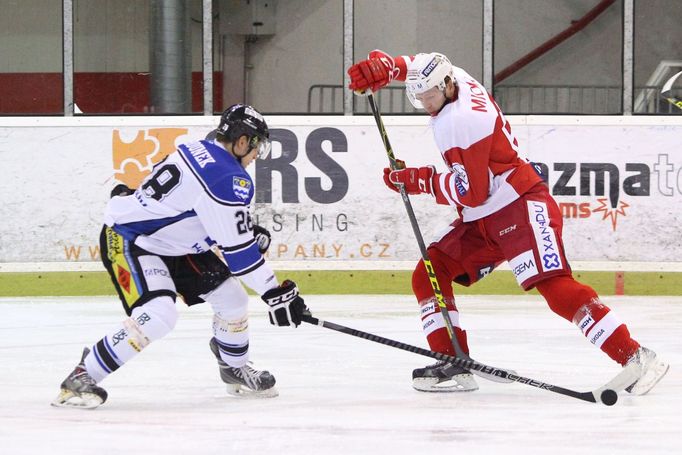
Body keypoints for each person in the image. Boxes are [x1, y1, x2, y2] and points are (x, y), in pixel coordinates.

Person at [347, 50, 669, 394]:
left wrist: (417, 180)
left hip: (519, 206)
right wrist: (389, 67)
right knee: (430, 272)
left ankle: (635, 355)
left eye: (429, 95)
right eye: (419, 96)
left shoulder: (463, 121)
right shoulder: (456, 77)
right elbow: (419, 64)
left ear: (445, 85)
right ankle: (453, 359)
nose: (425, 102)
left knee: (555, 286)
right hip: (483, 218)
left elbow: (472, 191)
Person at [52, 104, 309, 408]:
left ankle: (233, 366)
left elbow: (194, 212)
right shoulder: (228, 179)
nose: (256, 156)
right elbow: (240, 257)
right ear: (241, 141)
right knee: (160, 315)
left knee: (233, 299)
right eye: (256, 147)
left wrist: (247, 230)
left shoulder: (198, 149)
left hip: (172, 242)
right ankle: (83, 374)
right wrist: (275, 293)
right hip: (133, 240)